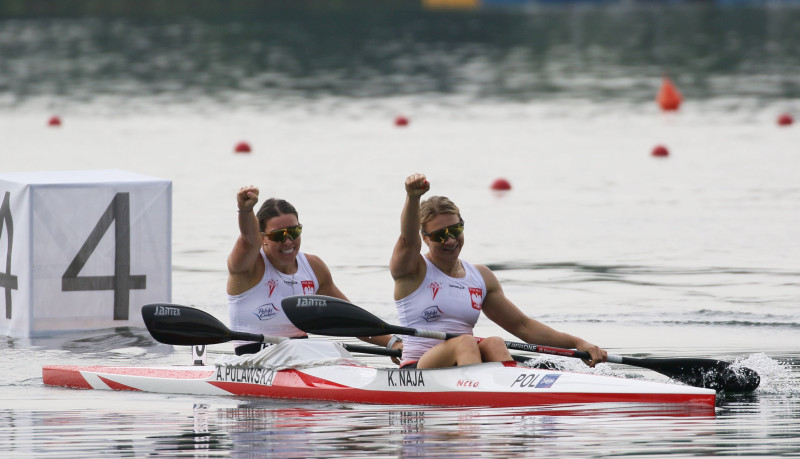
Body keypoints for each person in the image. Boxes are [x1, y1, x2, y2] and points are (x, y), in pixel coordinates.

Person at [389, 173, 607, 369]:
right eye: (439, 235)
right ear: (425, 238)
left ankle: (510, 395)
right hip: (418, 368)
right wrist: (413, 197)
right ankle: (482, 398)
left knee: (494, 342)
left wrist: (578, 343)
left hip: (464, 362)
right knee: (464, 342)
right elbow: (407, 240)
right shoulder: (412, 270)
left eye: (455, 230)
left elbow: (523, 326)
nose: (450, 240)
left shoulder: (480, 276)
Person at [227, 185, 400, 357]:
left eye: (294, 232)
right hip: (254, 358)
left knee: (340, 355)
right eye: (279, 235)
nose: (288, 241)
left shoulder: (313, 267)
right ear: (262, 237)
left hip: (300, 354)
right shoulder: (248, 266)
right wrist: (246, 210)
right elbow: (249, 241)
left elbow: (350, 320)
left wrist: (393, 343)